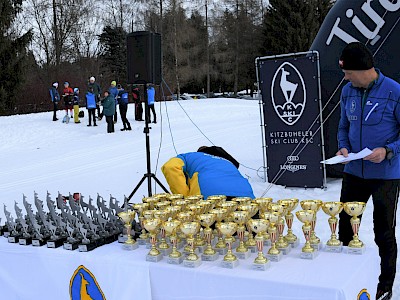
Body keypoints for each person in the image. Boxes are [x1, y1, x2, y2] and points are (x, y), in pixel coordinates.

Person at [336, 42, 400, 300]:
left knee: (383, 232)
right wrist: (342, 147)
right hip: (354, 172)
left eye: (348, 72)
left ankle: (384, 286)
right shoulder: (347, 91)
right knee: (344, 228)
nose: (345, 77)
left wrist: (388, 151)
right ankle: (343, 279)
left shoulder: (394, 91)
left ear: (363, 70)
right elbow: (342, 127)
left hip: (386, 174)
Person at [161, 146, 254, 199]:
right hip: (248, 200)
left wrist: (184, 199)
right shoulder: (227, 162)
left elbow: (170, 166)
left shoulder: (189, 156)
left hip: (209, 200)